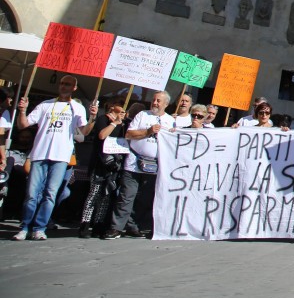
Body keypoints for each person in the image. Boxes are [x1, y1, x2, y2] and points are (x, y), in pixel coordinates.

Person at [12, 75, 98, 240]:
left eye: (68, 84)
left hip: (61, 156)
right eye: (62, 84)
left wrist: (92, 118)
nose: (64, 87)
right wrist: (22, 110)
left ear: (74, 88)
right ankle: (25, 227)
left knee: (51, 194)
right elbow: (23, 125)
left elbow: (84, 132)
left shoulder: (77, 108)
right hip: (40, 154)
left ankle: (40, 227)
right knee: (31, 193)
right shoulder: (45, 104)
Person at [104, 90, 176, 239]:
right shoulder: (142, 115)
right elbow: (129, 135)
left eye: (158, 101)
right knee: (126, 196)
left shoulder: (170, 121)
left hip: (155, 167)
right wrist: (148, 131)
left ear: (166, 104)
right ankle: (116, 227)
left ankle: (133, 226)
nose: (155, 103)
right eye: (154, 100)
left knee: (144, 199)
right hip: (134, 163)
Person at [77, 102, 128, 238]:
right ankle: (85, 225)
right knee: (94, 193)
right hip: (100, 162)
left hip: (113, 164)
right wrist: (114, 123)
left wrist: (121, 122)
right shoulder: (103, 119)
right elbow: (101, 135)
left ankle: (99, 225)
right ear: (112, 106)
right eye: (121, 104)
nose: (124, 107)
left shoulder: (123, 123)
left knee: (106, 196)